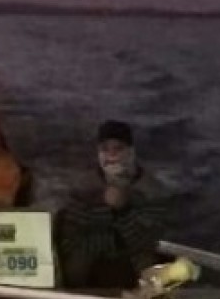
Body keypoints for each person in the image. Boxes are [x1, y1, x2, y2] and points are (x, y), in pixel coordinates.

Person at [56, 119, 166, 287]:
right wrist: (105, 207)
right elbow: (70, 239)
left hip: (134, 268)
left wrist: (123, 209)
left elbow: (149, 242)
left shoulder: (152, 191)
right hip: (90, 269)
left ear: (131, 152)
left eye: (118, 148)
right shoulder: (82, 189)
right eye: (105, 149)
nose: (111, 155)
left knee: (149, 263)